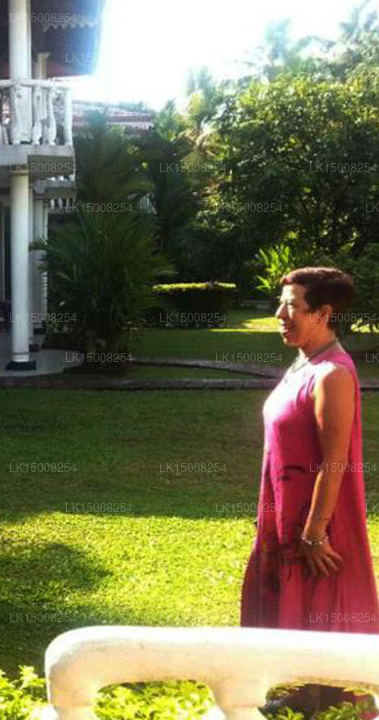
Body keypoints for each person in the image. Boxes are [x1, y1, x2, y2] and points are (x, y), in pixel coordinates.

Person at [242, 268, 379, 717]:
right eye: (281, 305)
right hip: (287, 517)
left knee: (321, 611)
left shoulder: (332, 375)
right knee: (296, 610)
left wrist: (315, 532)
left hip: (318, 526)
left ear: (323, 313)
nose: (280, 315)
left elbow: (335, 461)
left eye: (292, 307)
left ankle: (329, 702)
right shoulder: (305, 362)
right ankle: (302, 695)